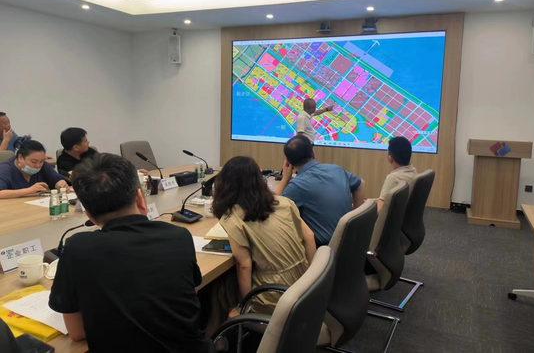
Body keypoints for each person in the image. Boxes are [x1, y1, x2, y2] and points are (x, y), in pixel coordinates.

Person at [49, 153, 211, 353]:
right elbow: (188, 299)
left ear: (89, 215)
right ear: (140, 198)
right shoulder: (179, 236)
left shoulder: (77, 248)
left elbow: (77, 333)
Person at [212, 156, 316, 315]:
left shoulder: (233, 218)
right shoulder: (284, 203)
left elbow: (244, 265)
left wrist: (245, 307)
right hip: (303, 287)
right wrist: (313, 280)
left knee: (221, 292)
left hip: (274, 297)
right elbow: (309, 237)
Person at [274, 135, 366, 247]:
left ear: (289, 163)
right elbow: (361, 184)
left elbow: (274, 207)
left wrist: (285, 178)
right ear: (313, 154)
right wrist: (354, 217)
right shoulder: (336, 169)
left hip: (324, 250)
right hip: (350, 241)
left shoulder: (297, 186)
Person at [57, 127, 148, 178]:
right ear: (76, 147)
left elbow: (109, 163)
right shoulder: (63, 162)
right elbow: (82, 178)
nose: (89, 142)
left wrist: (134, 172)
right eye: (85, 141)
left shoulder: (89, 152)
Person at [0, 140, 69, 199]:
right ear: (20, 158)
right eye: (33, 161)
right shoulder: (4, 169)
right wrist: (29, 190)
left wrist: (60, 184)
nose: (38, 165)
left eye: (41, 161)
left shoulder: (44, 165)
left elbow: (56, 179)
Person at [376, 136, 418, 212]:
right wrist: (369, 201)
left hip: (391, 218)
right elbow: (386, 200)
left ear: (390, 158)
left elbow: (380, 210)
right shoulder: (414, 173)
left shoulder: (393, 178)